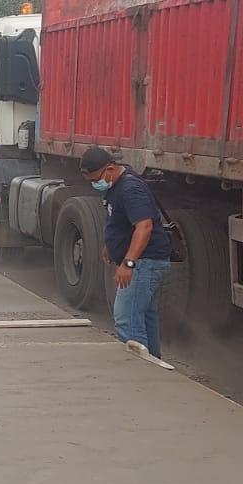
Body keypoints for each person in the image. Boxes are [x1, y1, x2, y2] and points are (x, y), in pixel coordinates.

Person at [79, 145, 174, 361]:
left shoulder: (130, 188)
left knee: (127, 319)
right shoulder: (116, 186)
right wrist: (110, 246)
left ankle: (137, 371)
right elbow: (120, 221)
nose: (95, 184)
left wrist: (128, 263)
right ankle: (153, 366)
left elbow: (145, 226)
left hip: (144, 262)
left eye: (96, 179)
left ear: (110, 169)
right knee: (145, 316)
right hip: (146, 261)